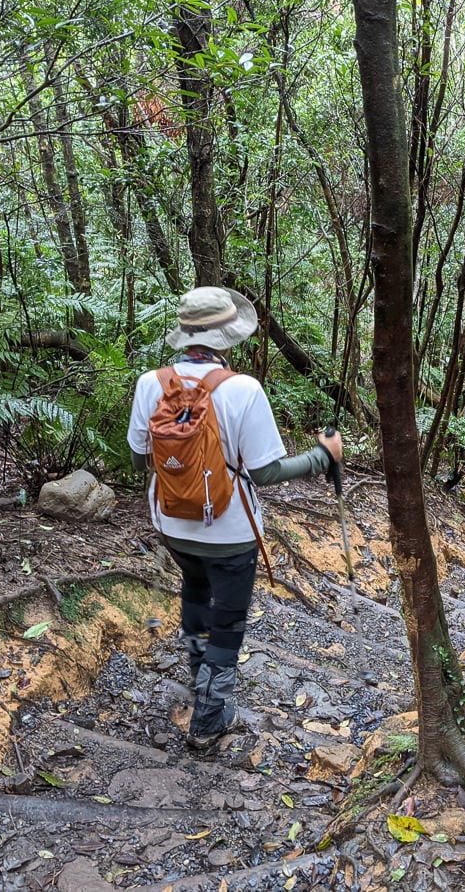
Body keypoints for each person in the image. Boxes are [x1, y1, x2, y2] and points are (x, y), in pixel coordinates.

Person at [127, 286, 343, 748]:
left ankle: (200, 684)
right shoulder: (243, 389)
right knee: (226, 620)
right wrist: (322, 457)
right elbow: (265, 472)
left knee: (195, 596)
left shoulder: (152, 382)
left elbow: (138, 456)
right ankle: (208, 719)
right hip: (230, 533)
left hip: (171, 526)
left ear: (184, 334)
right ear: (228, 337)